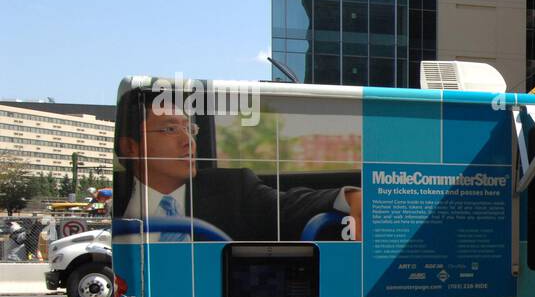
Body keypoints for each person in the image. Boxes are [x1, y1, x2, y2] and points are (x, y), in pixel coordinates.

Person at [115, 99, 362, 242]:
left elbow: (286, 206)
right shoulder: (119, 203)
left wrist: (348, 198)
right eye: (170, 129)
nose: (188, 141)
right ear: (131, 146)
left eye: (190, 129)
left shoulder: (232, 188)